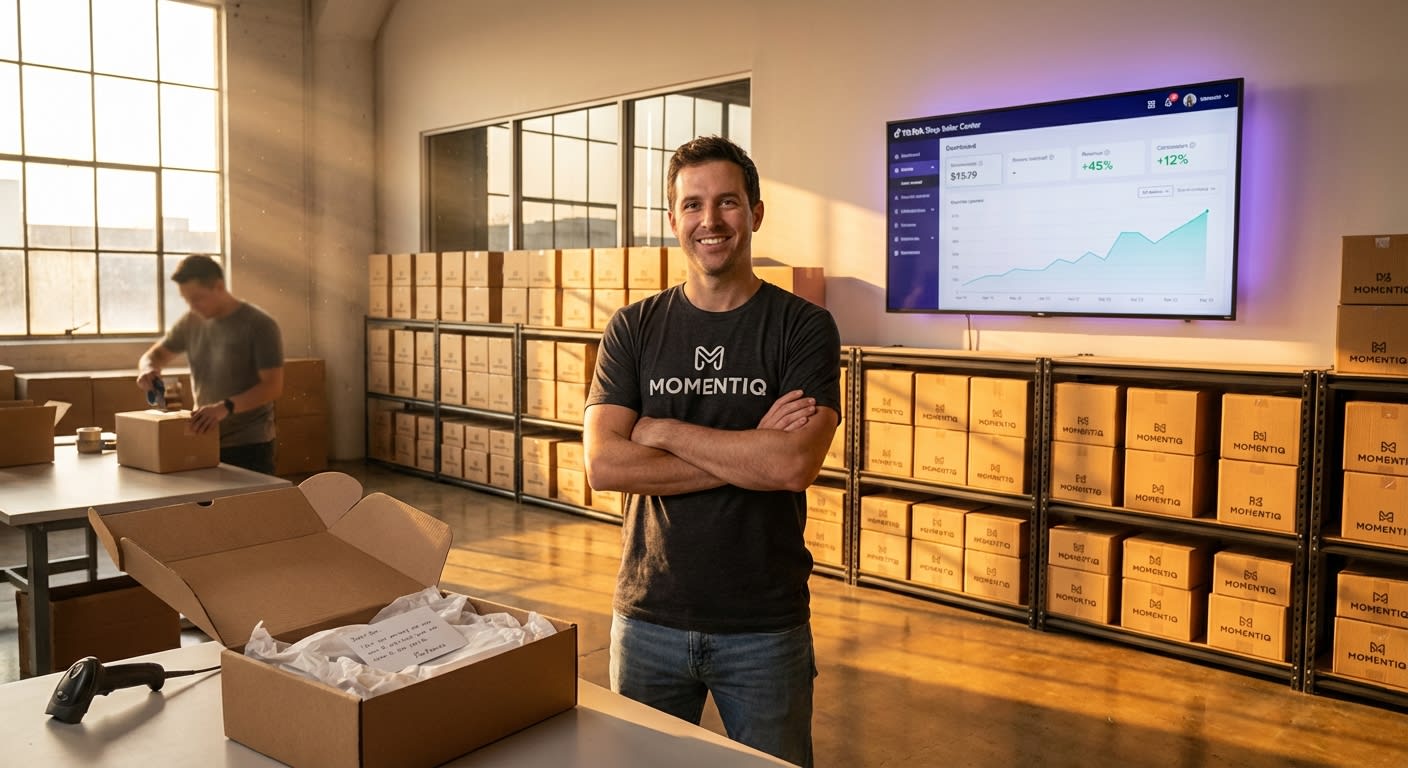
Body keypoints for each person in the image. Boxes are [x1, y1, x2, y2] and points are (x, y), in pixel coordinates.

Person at [583, 136, 841, 767]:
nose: (711, 220)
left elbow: (791, 465)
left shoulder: (802, 327)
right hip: (648, 616)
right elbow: (604, 465)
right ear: (673, 219)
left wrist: (663, 429)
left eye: (728, 202)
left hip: (764, 625)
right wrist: (747, 450)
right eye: (693, 205)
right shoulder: (634, 328)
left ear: (755, 212)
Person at [136, 255, 284, 474]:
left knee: (248, 507)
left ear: (219, 286)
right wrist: (148, 368)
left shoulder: (260, 325)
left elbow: (272, 386)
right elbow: (154, 355)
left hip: (249, 444)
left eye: (197, 298)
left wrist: (224, 407)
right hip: (204, 437)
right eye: (187, 300)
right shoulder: (191, 321)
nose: (192, 306)